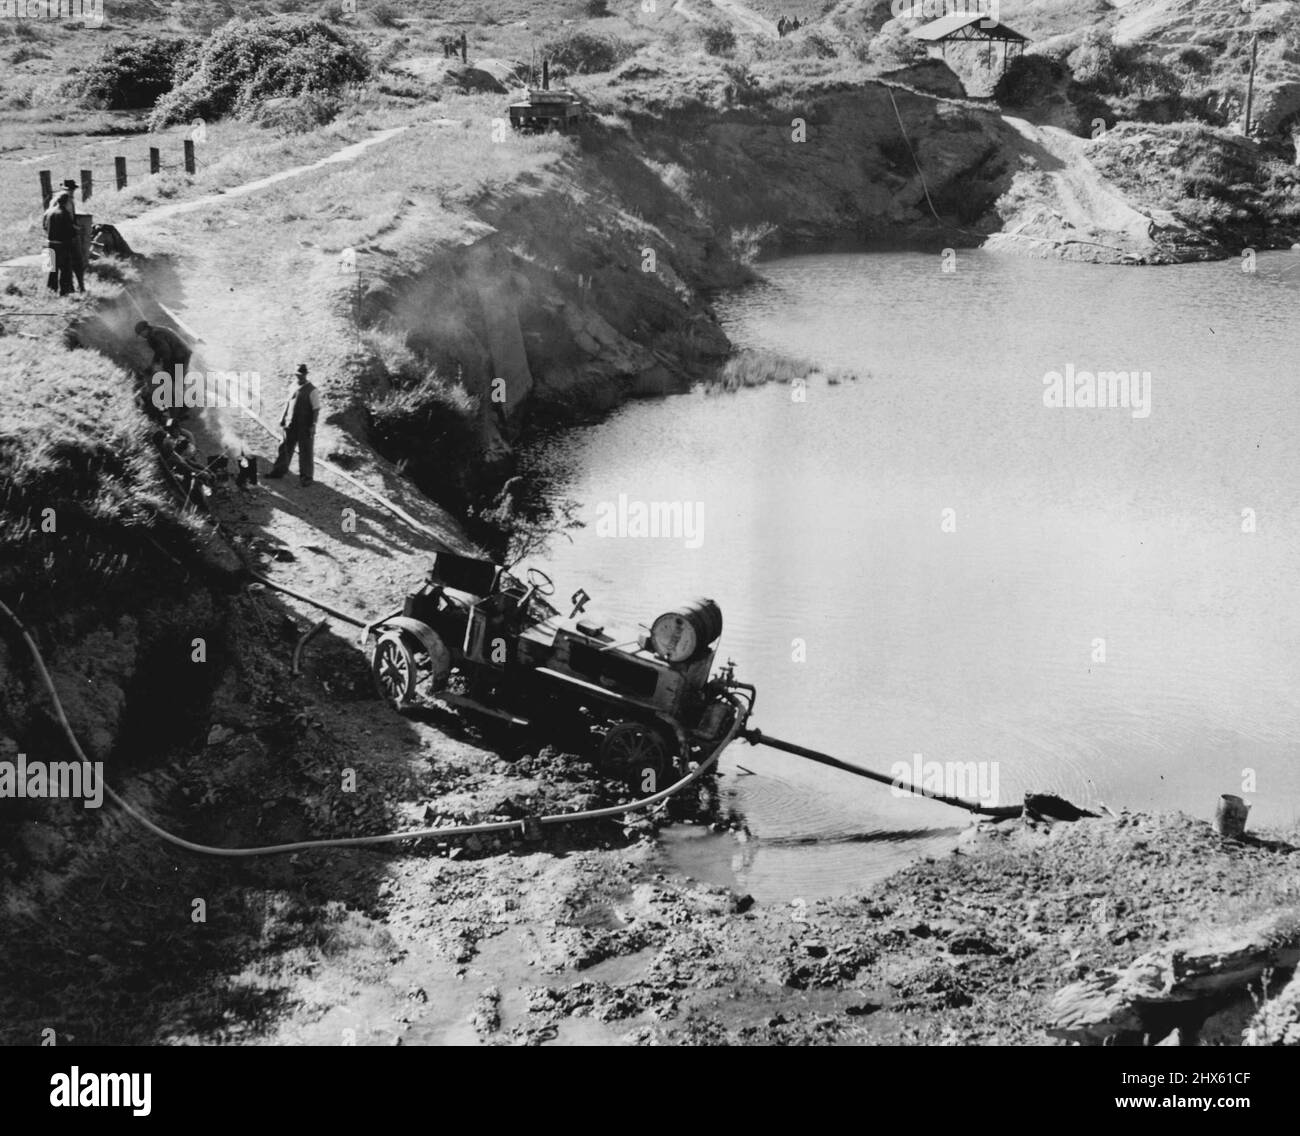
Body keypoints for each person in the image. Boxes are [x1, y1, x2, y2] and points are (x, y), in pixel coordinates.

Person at [267, 364, 320, 486]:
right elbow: (288, 403)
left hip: (305, 426)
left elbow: (316, 409)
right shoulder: (293, 386)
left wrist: (313, 425)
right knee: (285, 447)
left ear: (306, 375)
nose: (299, 377)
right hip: (291, 423)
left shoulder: (312, 390)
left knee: (306, 451)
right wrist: (282, 417)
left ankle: (306, 478)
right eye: (297, 375)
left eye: (301, 375)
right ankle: (278, 471)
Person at [44, 192, 76, 296]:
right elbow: (70, 231)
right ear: (66, 202)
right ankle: (64, 292)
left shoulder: (48, 212)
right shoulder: (64, 213)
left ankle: (50, 291)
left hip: (49, 244)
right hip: (62, 245)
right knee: (65, 269)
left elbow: (44, 226)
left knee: (51, 270)